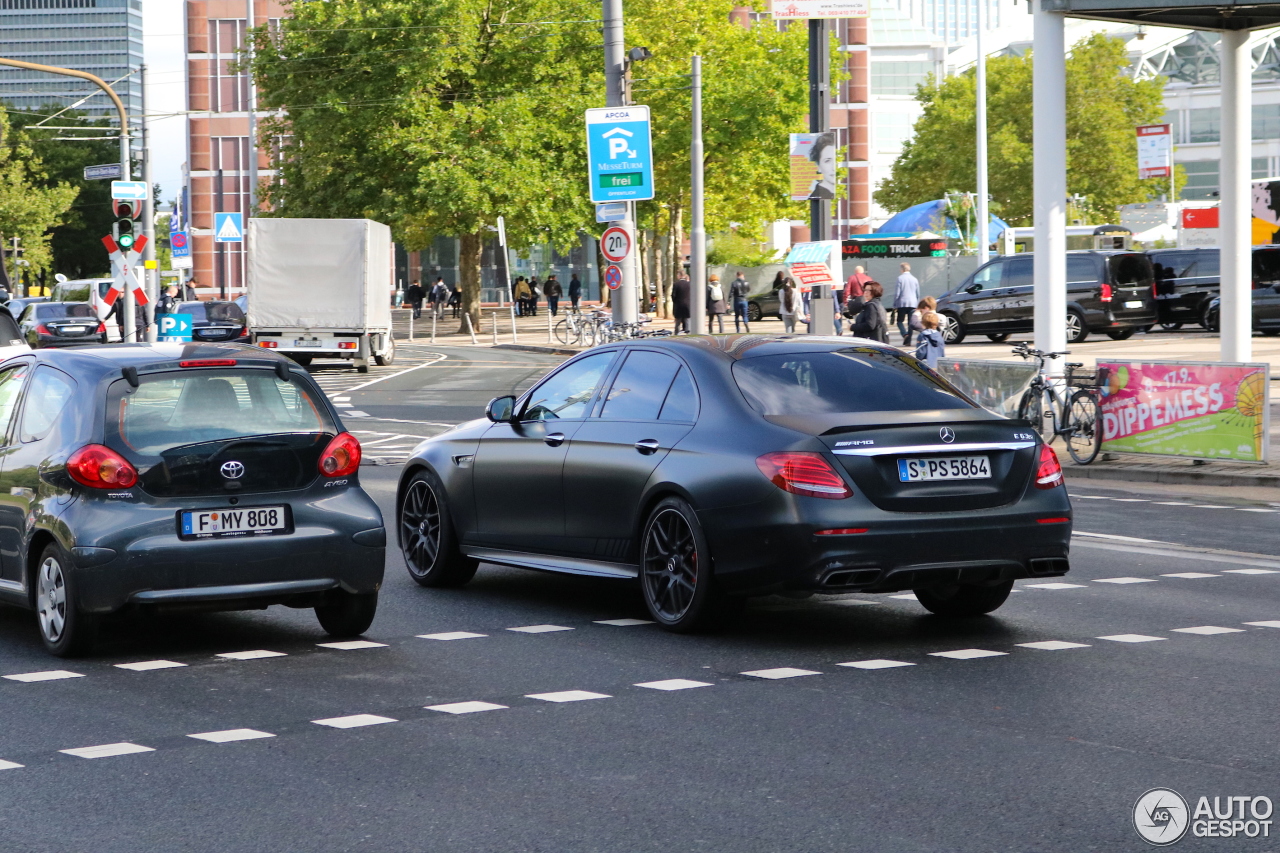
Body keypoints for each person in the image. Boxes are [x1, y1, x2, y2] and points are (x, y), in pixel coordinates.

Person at [893, 262, 920, 342]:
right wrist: (917, 304)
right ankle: (908, 341)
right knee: (910, 323)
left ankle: (904, 334)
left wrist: (895, 304)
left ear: (902, 269)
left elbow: (897, 293)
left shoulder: (900, 278)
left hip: (902, 303)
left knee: (899, 321)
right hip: (913, 303)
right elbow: (917, 293)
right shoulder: (915, 279)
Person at [807, 131, 838, 200]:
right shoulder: (818, 196)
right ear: (818, 166)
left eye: (836, 160)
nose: (833, 167)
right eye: (827, 161)